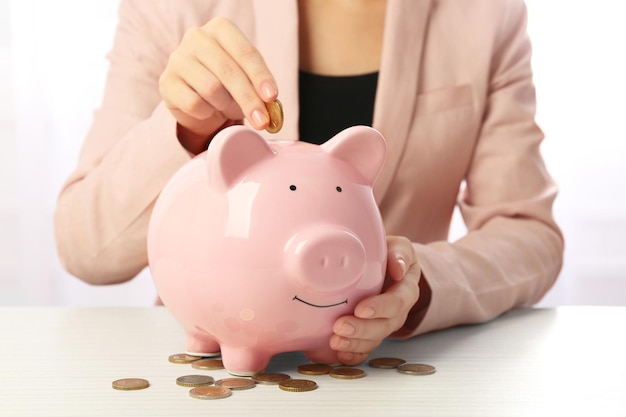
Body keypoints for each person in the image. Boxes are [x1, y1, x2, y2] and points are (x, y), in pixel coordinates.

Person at [54, 0, 564, 366]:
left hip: (386, 376)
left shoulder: (487, 13)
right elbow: (85, 249)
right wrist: (186, 129)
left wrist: (421, 282)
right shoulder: (172, 8)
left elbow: (529, 233)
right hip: (223, 370)